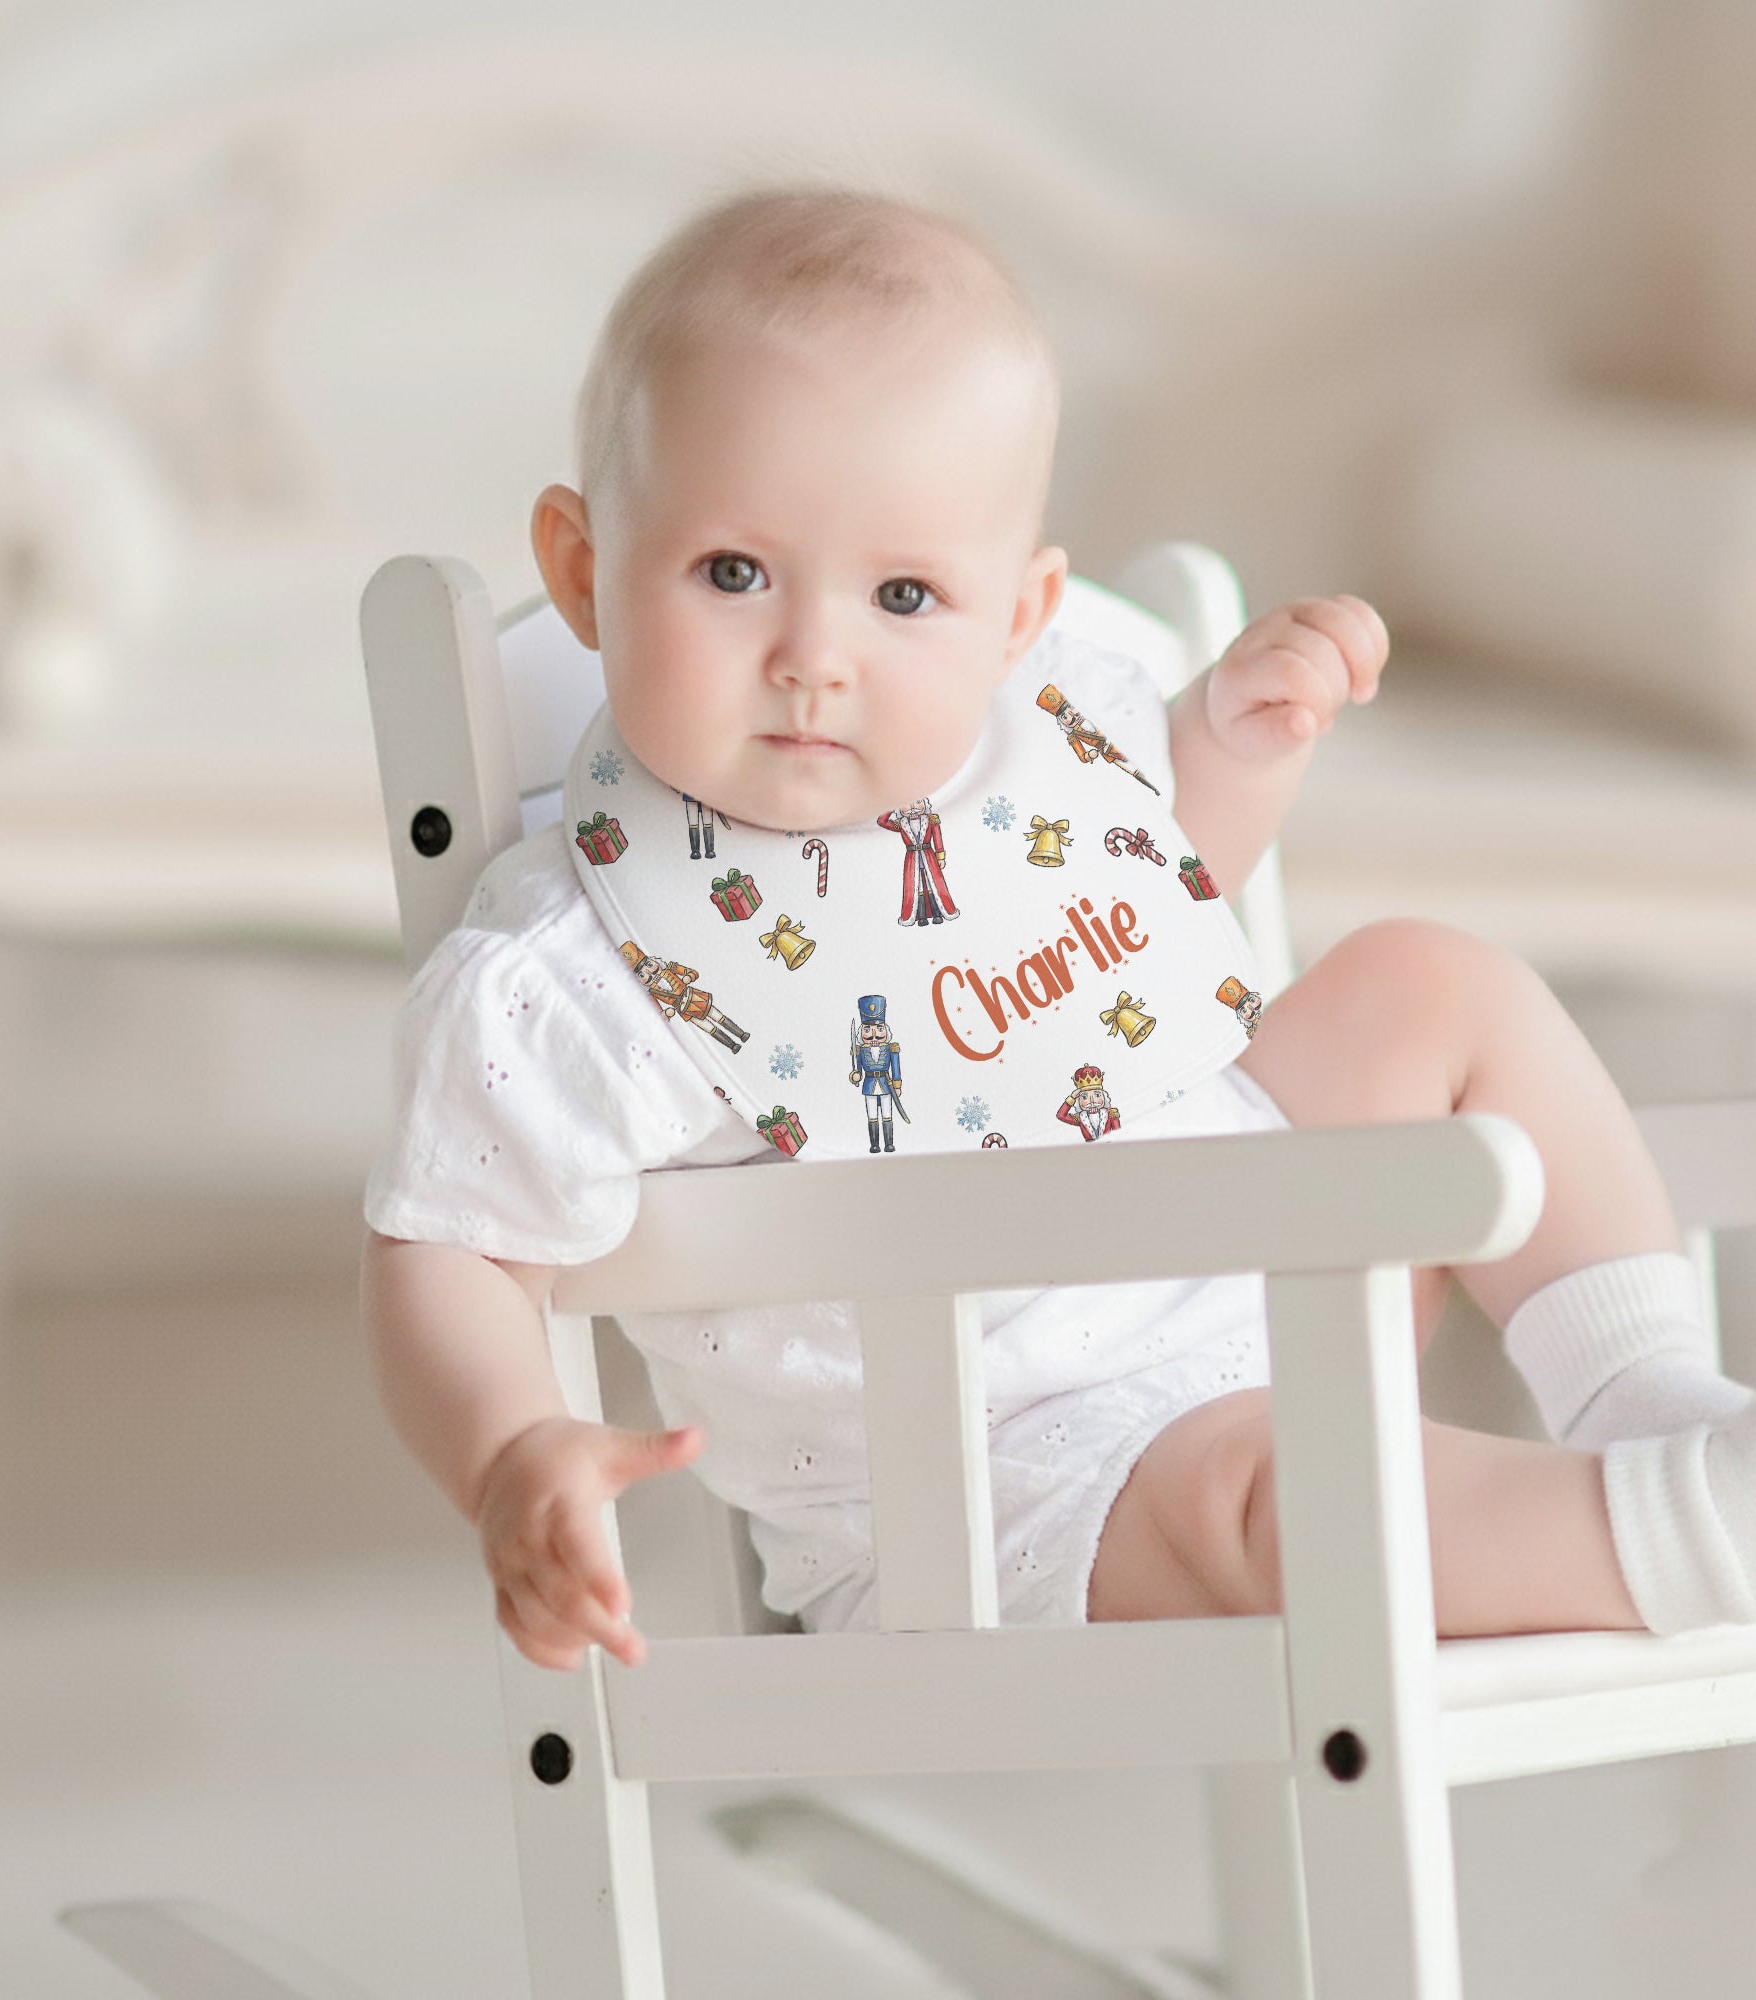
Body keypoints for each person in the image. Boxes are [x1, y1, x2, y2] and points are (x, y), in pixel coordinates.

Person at [363, 184, 1756, 1672]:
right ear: (584, 569)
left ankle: (1660, 1402)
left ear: (1020, 620)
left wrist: (1232, 743)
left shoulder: (1029, 761)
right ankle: (1681, 1536)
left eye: (903, 594)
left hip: (1247, 1255)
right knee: (1277, 1494)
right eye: (733, 574)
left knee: (1431, 984)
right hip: (1004, 1482)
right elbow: (447, 1252)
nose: (814, 660)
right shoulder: (575, 980)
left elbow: (1128, 921)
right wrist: (513, 1451)